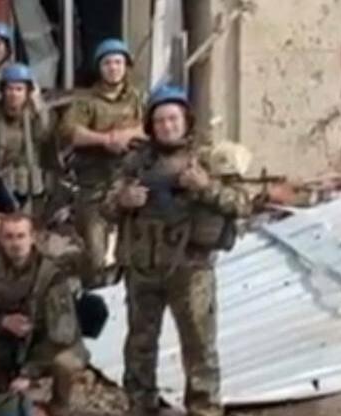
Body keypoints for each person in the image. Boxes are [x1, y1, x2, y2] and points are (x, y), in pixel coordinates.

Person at [106, 85, 251, 416]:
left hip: (191, 267)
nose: (167, 126)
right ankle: (140, 405)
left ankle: (203, 407)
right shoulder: (136, 162)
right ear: (150, 126)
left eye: (173, 119)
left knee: (198, 345)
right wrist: (123, 200)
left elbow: (242, 204)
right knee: (140, 344)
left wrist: (206, 188)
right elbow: (106, 206)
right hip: (144, 266)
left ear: (186, 120)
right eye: (159, 121)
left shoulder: (209, 158)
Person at [0, 214, 86, 415]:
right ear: (0, 240)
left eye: (21, 236)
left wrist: (28, 374)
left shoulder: (52, 276)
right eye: (9, 237)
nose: (15, 243)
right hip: (13, 344)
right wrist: (3, 322)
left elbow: (62, 334)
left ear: (32, 238)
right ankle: (4, 387)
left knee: (65, 362)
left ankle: (59, 404)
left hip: (49, 344)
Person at [58, 38, 146, 287]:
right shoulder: (85, 101)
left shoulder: (138, 98)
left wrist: (125, 136)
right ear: (99, 67)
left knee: (132, 253)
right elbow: (69, 132)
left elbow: (153, 127)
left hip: (130, 183)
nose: (113, 68)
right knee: (94, 254)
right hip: (94, 186)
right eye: (107, 63)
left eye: (118, 62)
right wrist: (105, 140)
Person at [0, 63, 53, 217]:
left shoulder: (36, 116)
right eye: (9, 89)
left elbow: (46, 137)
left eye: (19, 89)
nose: (14, 94)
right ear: (2, 91)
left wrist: (38, 106)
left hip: (30, 188)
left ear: (28, 92)